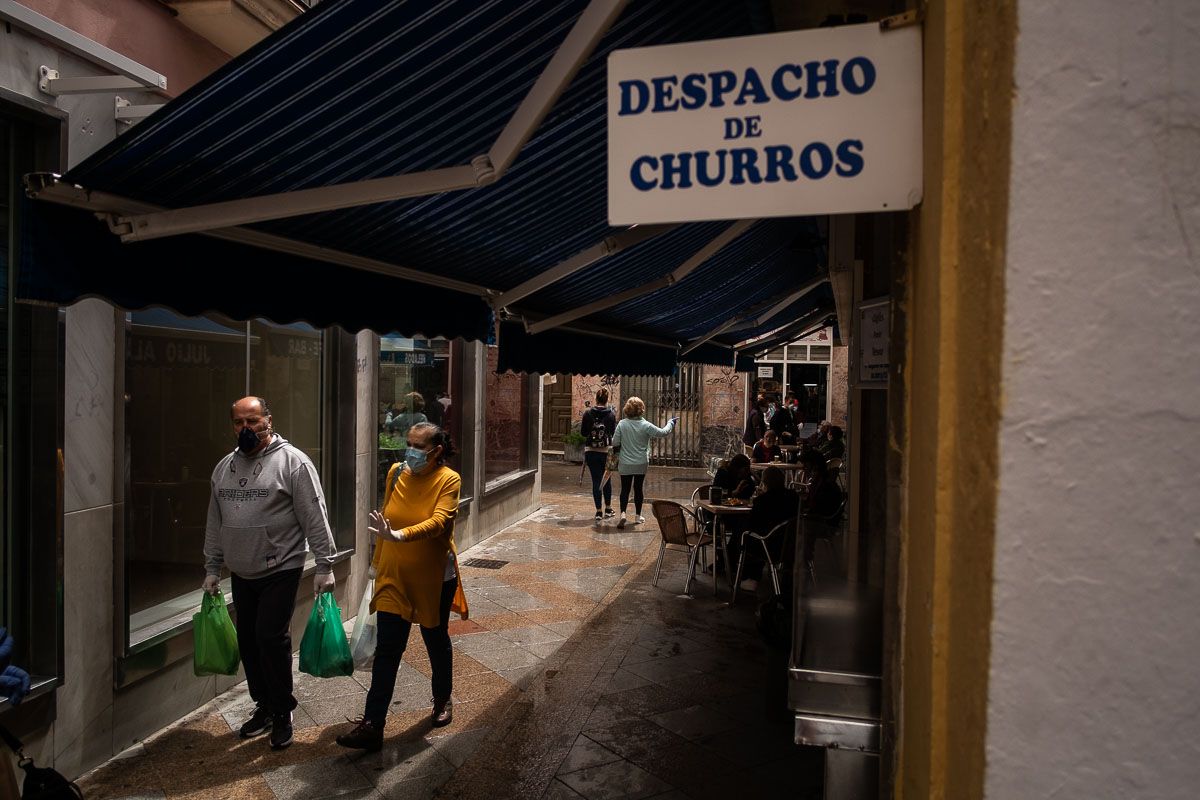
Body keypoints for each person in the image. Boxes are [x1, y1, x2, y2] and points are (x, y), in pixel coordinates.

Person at [202, 396, 336, 751]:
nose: (245, 429)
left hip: (281, 566)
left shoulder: (293, 463)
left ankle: (282, 710)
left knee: (269, 637)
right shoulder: (224, 468)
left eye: (253, 421)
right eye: (238, 423)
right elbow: (215, 521)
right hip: (241, 571)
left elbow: (314, 514)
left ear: (268, 421)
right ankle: (263, 704)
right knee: (248, 639)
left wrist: (325, 564)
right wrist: (212, 566)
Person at [337, 422, 468, 752]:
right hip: (394, 576)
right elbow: (385, 518)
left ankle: (441, 699)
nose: (409, 451)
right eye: (408, 443)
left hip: (433, 579)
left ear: (436, 451)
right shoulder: (396, 472)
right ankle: (372, 724)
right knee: (388, 651)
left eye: (417, 446)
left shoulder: (448, 479)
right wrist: (376, 565)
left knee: (434, 639)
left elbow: (440, 522)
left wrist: (402, 535)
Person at [611, 397, 676, 529]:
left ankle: (623, 513)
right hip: (641, 462)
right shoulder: (646, 425)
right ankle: (637, 516)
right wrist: (671, 423)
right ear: (641, 409)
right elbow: (663, 432)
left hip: (625, 462)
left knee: (625, 489)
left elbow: (615, 443)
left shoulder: (622, 424)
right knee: (638, 488)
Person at [739, 466, 800, 590]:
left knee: (743, 535)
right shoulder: (793, 497)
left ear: (765, 482)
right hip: (791, 545)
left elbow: (751, 524)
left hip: (768, 546)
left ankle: (750, 577)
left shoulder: (762, 501)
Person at [580, 388, 618, 521]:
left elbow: (583, 433)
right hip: (607, 452)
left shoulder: (587, 414)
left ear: (596, 398)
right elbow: (613, 434)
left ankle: (598, 511)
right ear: (607, 400)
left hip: (591, 452)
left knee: (596, 481)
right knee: (606, 480)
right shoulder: (611, 415)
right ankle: (608, 508)